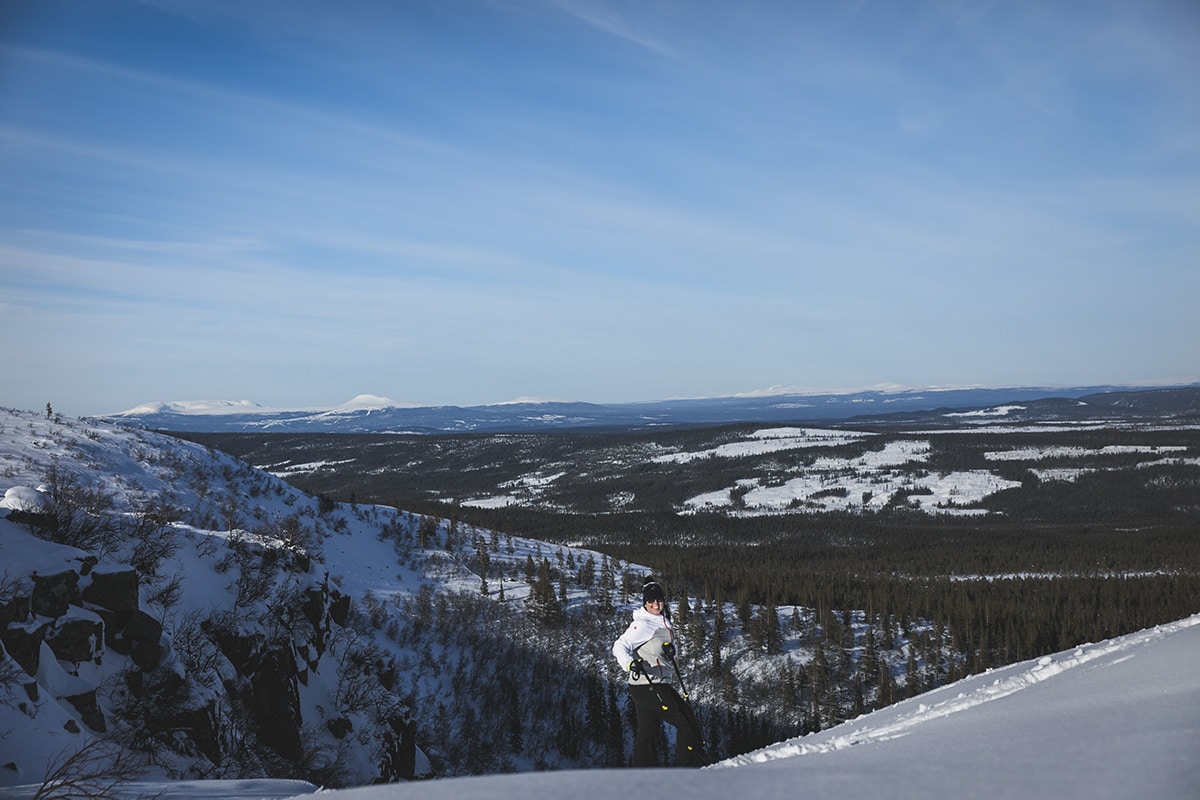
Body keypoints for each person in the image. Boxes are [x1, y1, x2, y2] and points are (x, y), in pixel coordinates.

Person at [612, 577, 706, 767]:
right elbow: (619, 646)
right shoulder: (643, 624)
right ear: (644, 603)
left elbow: (670, 647)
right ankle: (687, 773)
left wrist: (672, 651)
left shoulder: (662, 620)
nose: (655, 603)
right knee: (687, 723)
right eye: (650, 600)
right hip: (650, 684)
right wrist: (629, 663)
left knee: (648, 734)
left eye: (659, 599)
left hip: (648, 686)